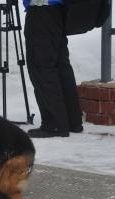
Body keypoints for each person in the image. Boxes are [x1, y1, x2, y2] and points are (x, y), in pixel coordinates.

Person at [24, 0, 83, 138]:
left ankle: (54, 123)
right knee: (61, 66)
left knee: (41, 68)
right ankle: (71, 121)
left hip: (41, 9)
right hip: (56, 11)